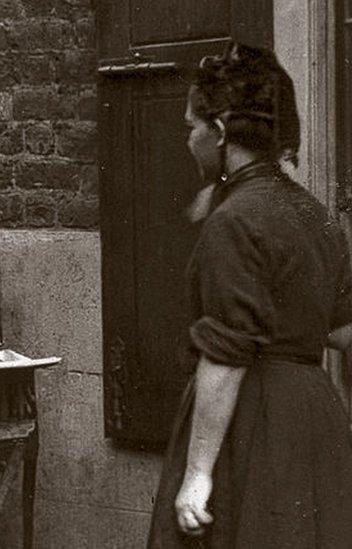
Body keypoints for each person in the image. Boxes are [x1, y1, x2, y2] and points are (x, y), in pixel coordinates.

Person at [148, 42, 352, 548]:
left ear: (219, 132)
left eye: (192, 127)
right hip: (315, 420)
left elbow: (227, 354)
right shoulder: (315, 214)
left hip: (250, 423)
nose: (189, 140)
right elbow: (344, 332)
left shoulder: (234, 220)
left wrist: (198, 473)